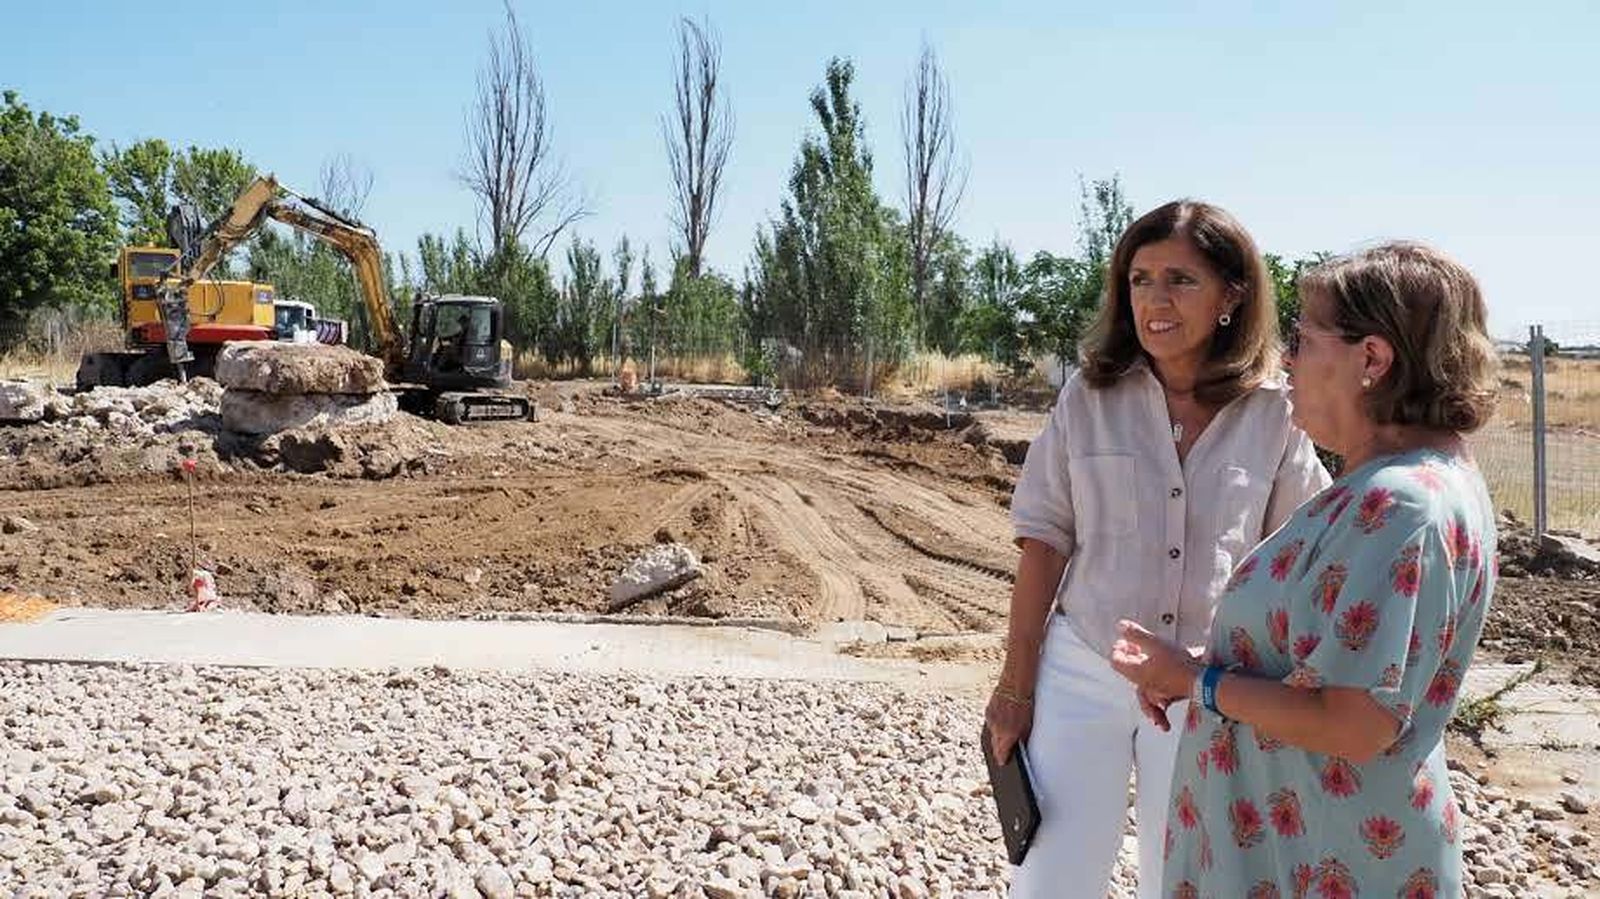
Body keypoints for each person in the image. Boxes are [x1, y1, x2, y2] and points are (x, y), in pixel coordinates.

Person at [1109, 242, 1500, 898]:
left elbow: (1356, 720)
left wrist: (1197, 680)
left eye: (1302, 337)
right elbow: (1340, 653)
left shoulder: (1401, 501)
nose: (1286, 358)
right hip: (1307, 844)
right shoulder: (1413, 482)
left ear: (1372, 359)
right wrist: (1212, 662)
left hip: (1325, 857)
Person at [989, 200, 1330, 899]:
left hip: (1207, 687)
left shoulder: (1275, 412)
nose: (1155, 299)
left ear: (1232, 295)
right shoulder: (1089, 396)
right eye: (1140, 279)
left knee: (1185, 883)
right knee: (1049, 878)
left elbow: (1302, 557)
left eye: (1180, 279)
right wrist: (1015, 687)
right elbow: (1044, 540)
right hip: (1081, 673)